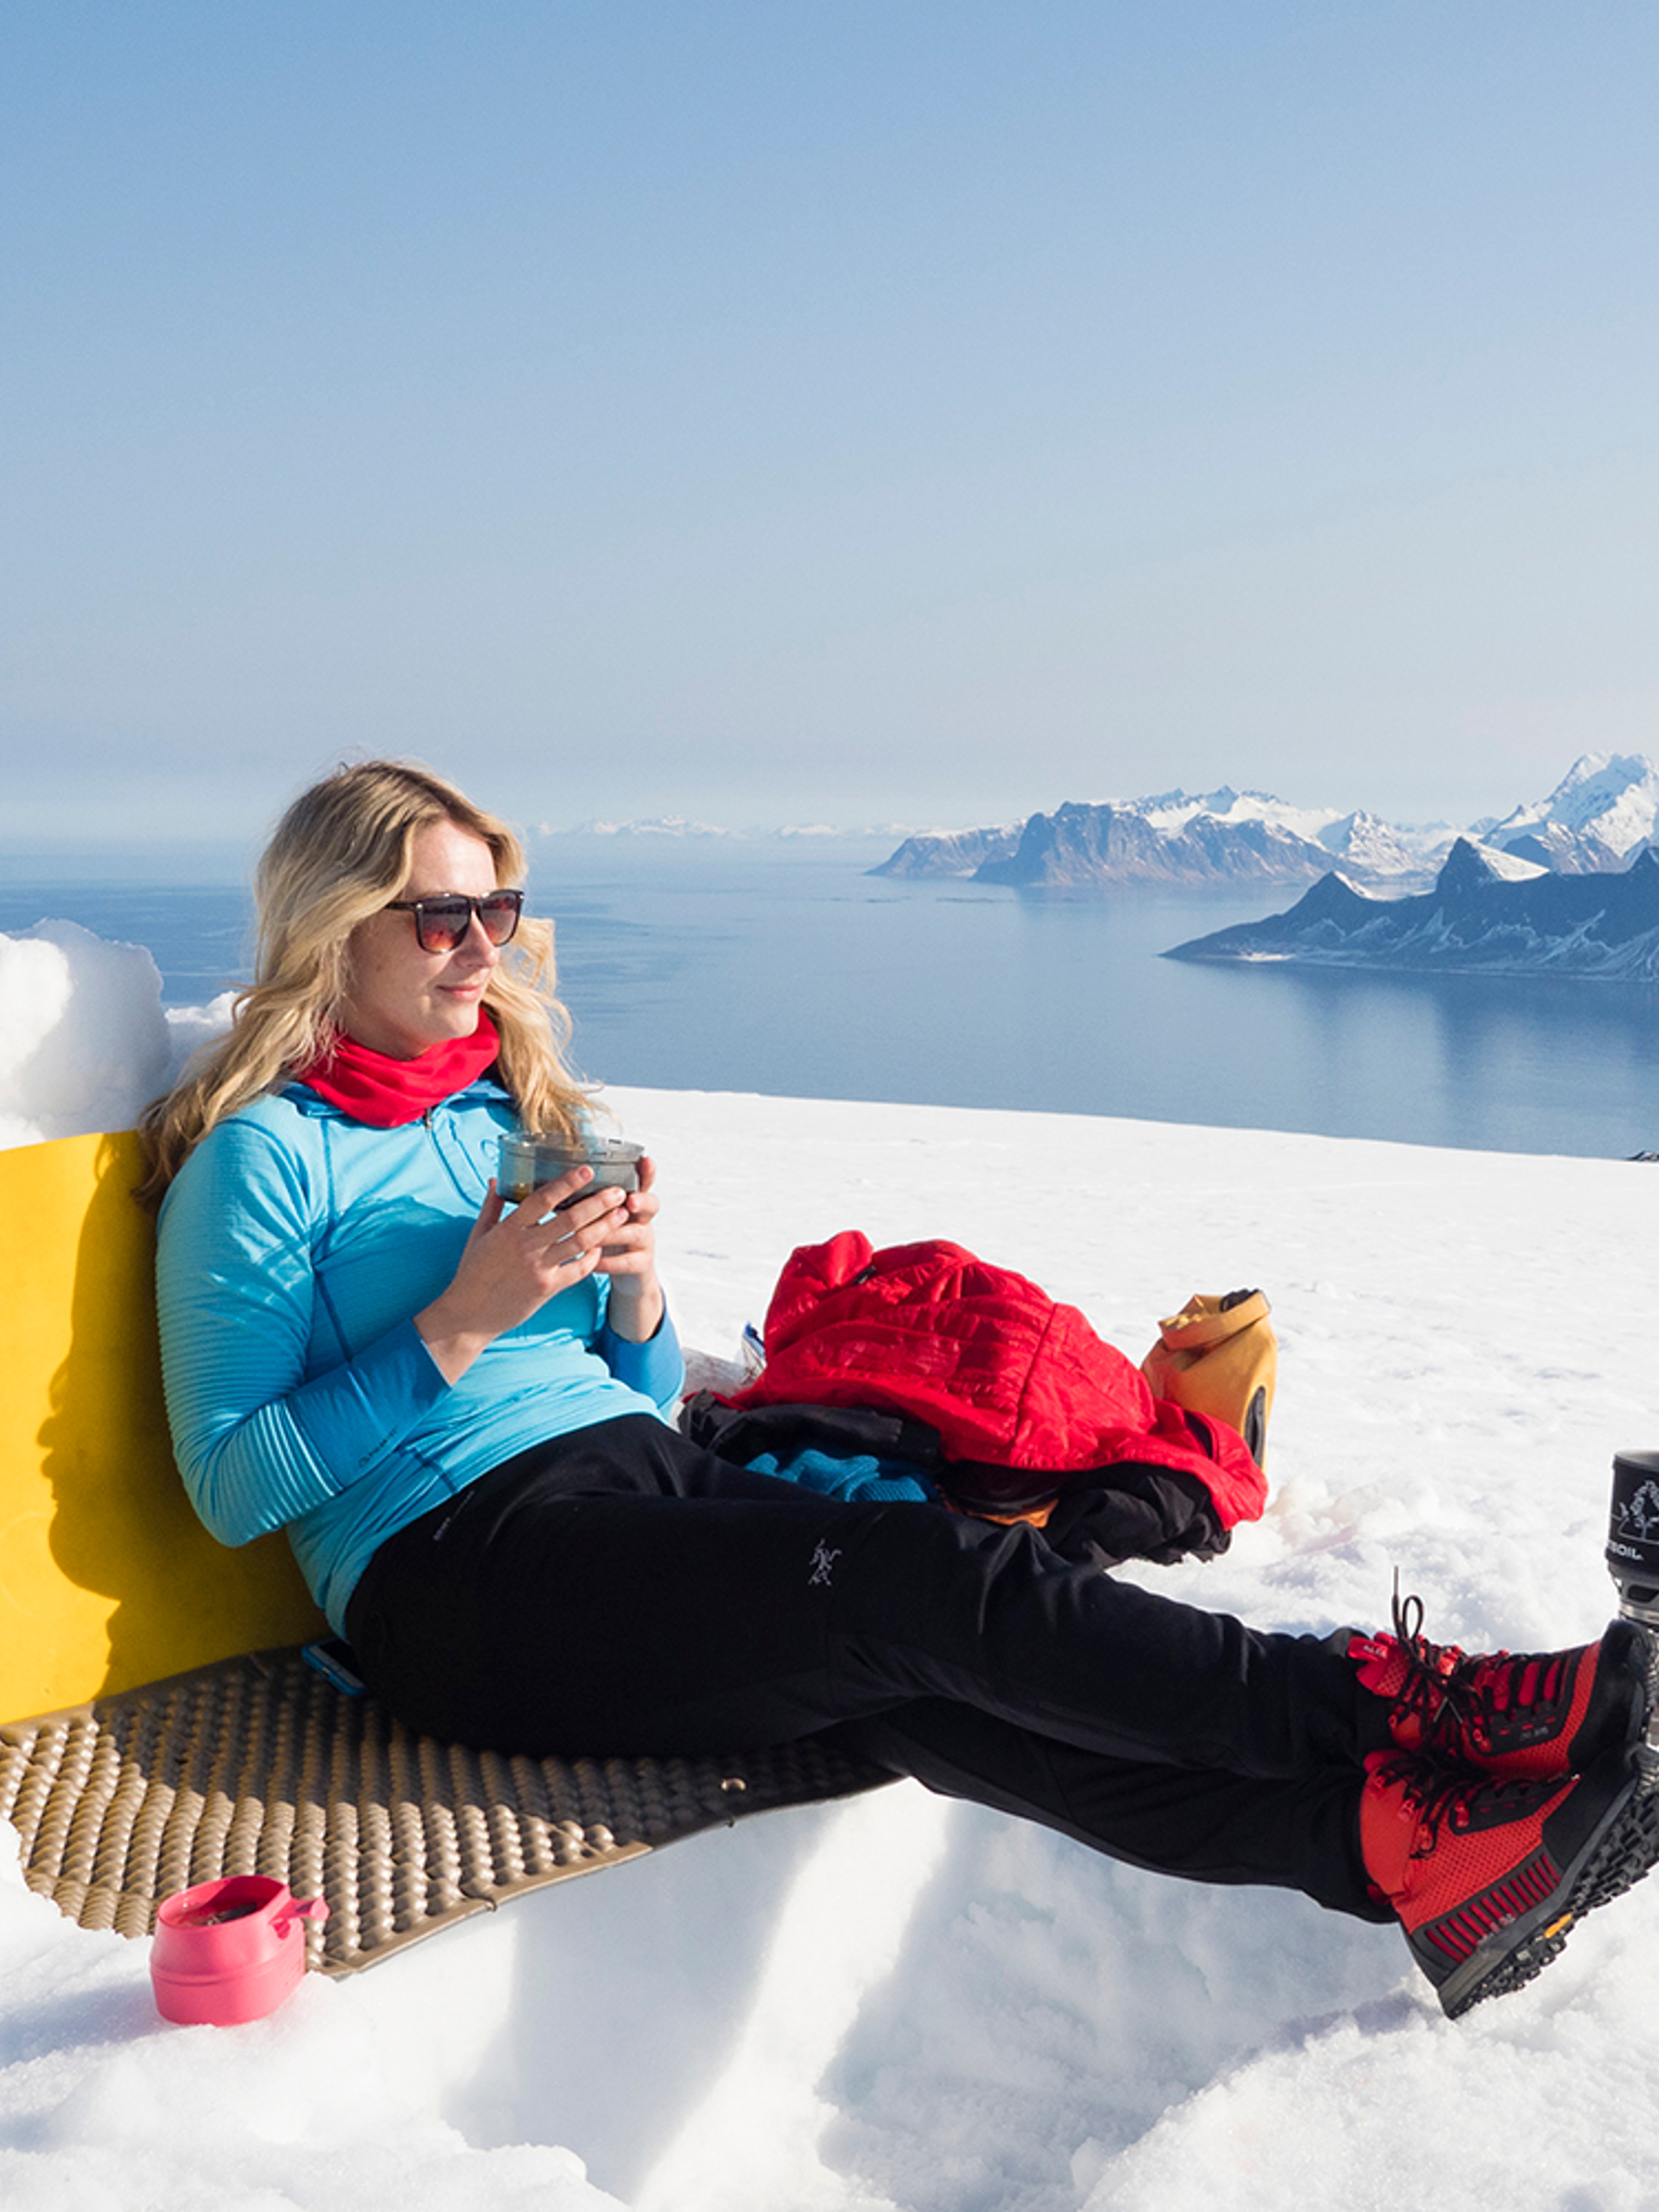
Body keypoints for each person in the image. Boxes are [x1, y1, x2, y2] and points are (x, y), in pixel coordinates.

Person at [142, 759, 1659, 2024]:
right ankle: (1409, 1705)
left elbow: (634, 1387)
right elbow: (229, 1482)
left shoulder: (513, 1112)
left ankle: (1397, 1851)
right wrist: (459, 1326)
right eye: (442, 915)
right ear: (335, 930)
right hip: (448, 1578)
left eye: (502, 908)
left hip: (629, 1485)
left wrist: (636, 1288)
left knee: (920, 1690)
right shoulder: (264, 1160)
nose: (485, 947)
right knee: (912, 1579)